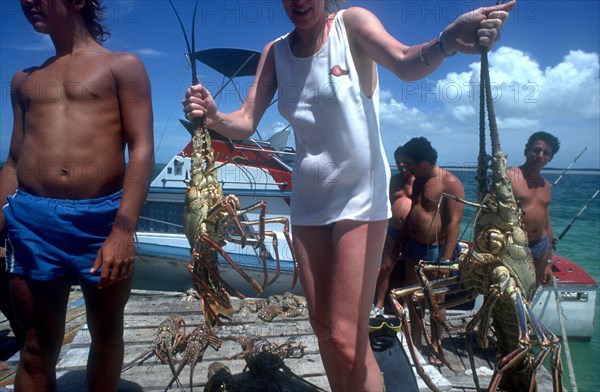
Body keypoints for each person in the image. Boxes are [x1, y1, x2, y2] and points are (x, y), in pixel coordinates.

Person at [183, 1, 513, 389]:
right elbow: (244, 121)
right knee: (324, 328)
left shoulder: (350, 25)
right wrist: (212, 115)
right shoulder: (276, 52)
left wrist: (446, 41)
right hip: (308, 201)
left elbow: (406, 61)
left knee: (346, 334)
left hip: (361, 197)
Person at [0, 1, 154, 390]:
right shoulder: (23, 80)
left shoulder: (123, 66)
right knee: (34, 348)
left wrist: (122, 230)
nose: (28, 3)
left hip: (101, 223)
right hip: (31, 222)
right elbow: (14, 161)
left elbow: (141, 149)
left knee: (105, 335)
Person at [400, 137, 464, 365]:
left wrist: (446, 260)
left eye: (411, 165)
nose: (408, 169)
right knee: (415, 298)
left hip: (436, 251)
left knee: (437, 301)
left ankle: (436, 344)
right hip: (414, 247)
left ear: (425, 161)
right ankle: (416, 344)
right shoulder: (418, 179)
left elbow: (454, 223)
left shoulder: (450, 182)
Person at [508, 131, 560, 286]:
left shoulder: (546, 186)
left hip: (540, 245)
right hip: (513, 246)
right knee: (506, 294)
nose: (540, 155)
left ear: (550, 158)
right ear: (526, 150)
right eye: (536, 150)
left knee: (530, 292)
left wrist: (549, 262)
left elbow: (547, 225)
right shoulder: (509, 177)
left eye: (546, 153)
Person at [372, 146, 414, 317]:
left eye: (405, 162)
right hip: (393, 230)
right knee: (385, 267)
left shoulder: (420, 181)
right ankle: (379, 305)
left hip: (413, 233)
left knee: (412, 271)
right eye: (398, 162)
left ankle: (407, 307)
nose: (402, 165)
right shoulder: (393, 181)